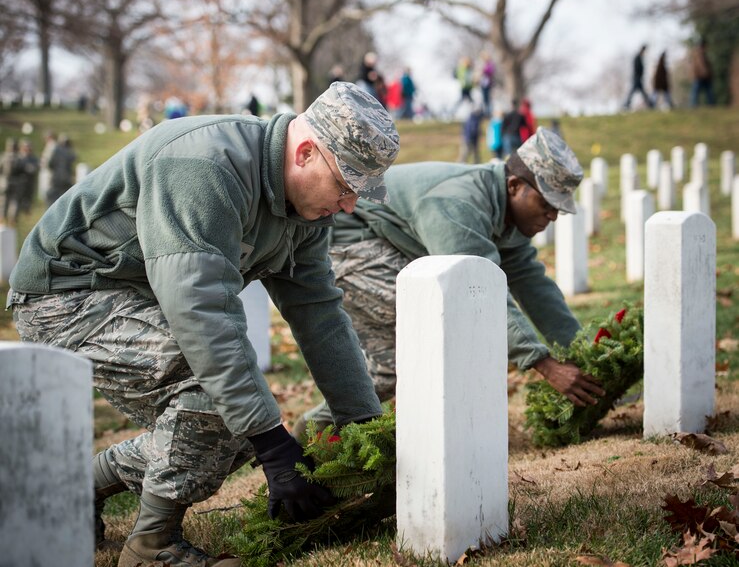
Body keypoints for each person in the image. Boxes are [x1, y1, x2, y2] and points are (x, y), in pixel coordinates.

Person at [7, 82, 399, 567]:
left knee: (241, 410)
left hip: (140, 293)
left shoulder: (307, 212)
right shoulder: (205, 167)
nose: (348, 207)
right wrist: (272, 442)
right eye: (345, 186)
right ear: (304, 153)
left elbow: (319, 312)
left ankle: (82, 486)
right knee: (217, 396)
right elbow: (200, 309)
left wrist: (364, 424)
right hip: (69, 292)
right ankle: (152, 547)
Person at [294, 127, 606, 437]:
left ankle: (316, 429)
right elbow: (479, 293)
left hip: (386, 246)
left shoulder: (507, 214)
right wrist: (546, 364)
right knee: (426, 338)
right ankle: (317, 431)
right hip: (349, 242)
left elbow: (534, 285)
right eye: (547, 204)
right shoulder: (459, 204)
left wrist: (583, 354)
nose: (552, 216)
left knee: (398, 363)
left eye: (558, 208)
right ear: (514, 186)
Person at [46, 134, 76, 206]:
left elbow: (50, 164)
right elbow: (73, 158)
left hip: (56, 178)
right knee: (66, 197)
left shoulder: (56, 150)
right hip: (66, 178)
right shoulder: (69, 151)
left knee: (54, 198)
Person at [622, 45, 653, 110]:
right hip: (637, 78)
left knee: (639, 92)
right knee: (634, 92)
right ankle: (650, 104)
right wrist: (639, 76)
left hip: (638, 78)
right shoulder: (637, 58)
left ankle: (650, 104)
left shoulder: (640, 57)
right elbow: (637, 69)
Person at [690, 39, 715, 107]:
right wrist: (706, 73)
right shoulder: (698, 54)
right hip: (700, 76)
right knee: (696, 92)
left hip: (702, 76)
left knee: (707, 92)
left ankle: (710, 104)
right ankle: (694, 105)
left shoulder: (701, 54)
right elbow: (701, 65)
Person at [0, 138, 19, 225]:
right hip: (15, 182)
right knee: (14, 201)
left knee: (3, 201)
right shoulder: (18, 158)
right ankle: (12, 219)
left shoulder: (4, 157)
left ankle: (2, 218)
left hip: (5, 181)